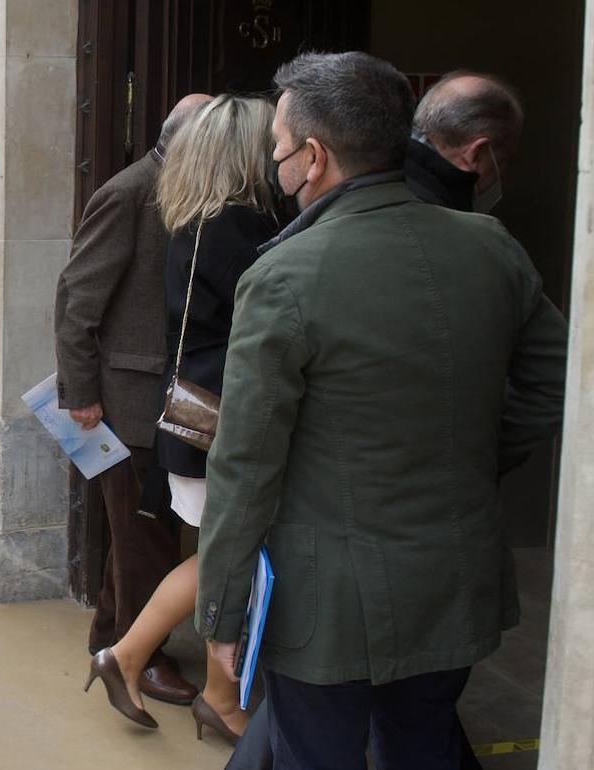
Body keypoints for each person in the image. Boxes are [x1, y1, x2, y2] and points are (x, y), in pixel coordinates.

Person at [197, 52, 568, 770]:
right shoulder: (490, 245)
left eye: (278, 147)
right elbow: (558, 381)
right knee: (423, 746)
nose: (275, 162)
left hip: (326, 600)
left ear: (314, 157)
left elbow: (245, 463)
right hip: (452, 575)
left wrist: (221, 611)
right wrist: (479, 452)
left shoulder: (284, 275)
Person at [83, 95, 279, 741]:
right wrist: (79, 394)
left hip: (190, 412)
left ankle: (145, 662)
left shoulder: (198, 215)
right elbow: (76, 299)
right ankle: (154, 665)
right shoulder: (228, 223)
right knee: (218, 553)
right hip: (207, 414)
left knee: (217, 553)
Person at [55, 92, 211, 707]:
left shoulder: (184, 189)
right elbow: (76, 302)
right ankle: (138, 655)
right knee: (147, 533)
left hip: (164, 399)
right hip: (126, 402)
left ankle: (112, 635)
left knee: (138, 533)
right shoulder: (128, 191)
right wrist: (83, 395)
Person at [406, 71, 523, 213]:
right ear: (476, 154)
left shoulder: (379, 173)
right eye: (503, 161)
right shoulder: (450, 227)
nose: (501, 175)